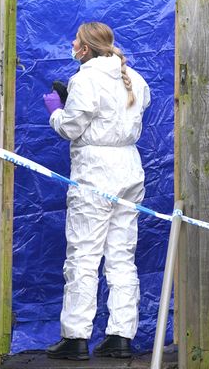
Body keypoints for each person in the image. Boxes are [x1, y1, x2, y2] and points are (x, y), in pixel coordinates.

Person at [41, 22, 151, 360]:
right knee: (122, 256)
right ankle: (121, 336)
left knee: (84, 256)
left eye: (75, 40)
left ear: (85, 49)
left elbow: (73, 128)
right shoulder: (136, 79)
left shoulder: (85, 78)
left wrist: (56, 110)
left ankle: (75, 338)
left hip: (95, 174)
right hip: (129, 170)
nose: (72, 44)